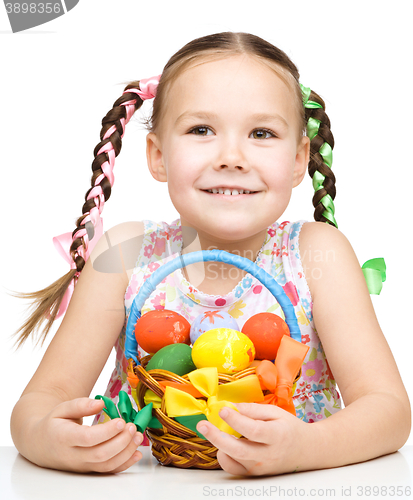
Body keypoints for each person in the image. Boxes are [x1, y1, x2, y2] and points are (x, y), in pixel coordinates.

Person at [10, 32, 410, 476]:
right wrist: (46, 437)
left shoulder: (319, 253)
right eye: (201, 130)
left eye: (262, 133)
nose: (232, 157)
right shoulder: (124, 255)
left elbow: (389, 412)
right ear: (158, 155)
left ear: (299, 160)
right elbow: (41, 402)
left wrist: (308, 447)